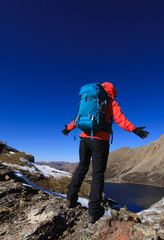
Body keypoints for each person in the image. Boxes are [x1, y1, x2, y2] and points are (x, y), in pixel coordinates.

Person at [62, 82, 149, 223]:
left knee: (82, 167)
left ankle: (70, 199)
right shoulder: (111, 102)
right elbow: (121, 120)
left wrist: (69, 127)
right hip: (100, 141)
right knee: (98, 174)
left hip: (84, 139)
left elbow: (79, 118)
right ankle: (94, 210)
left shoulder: (90, 98)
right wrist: (134, 129)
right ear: (113, 92)